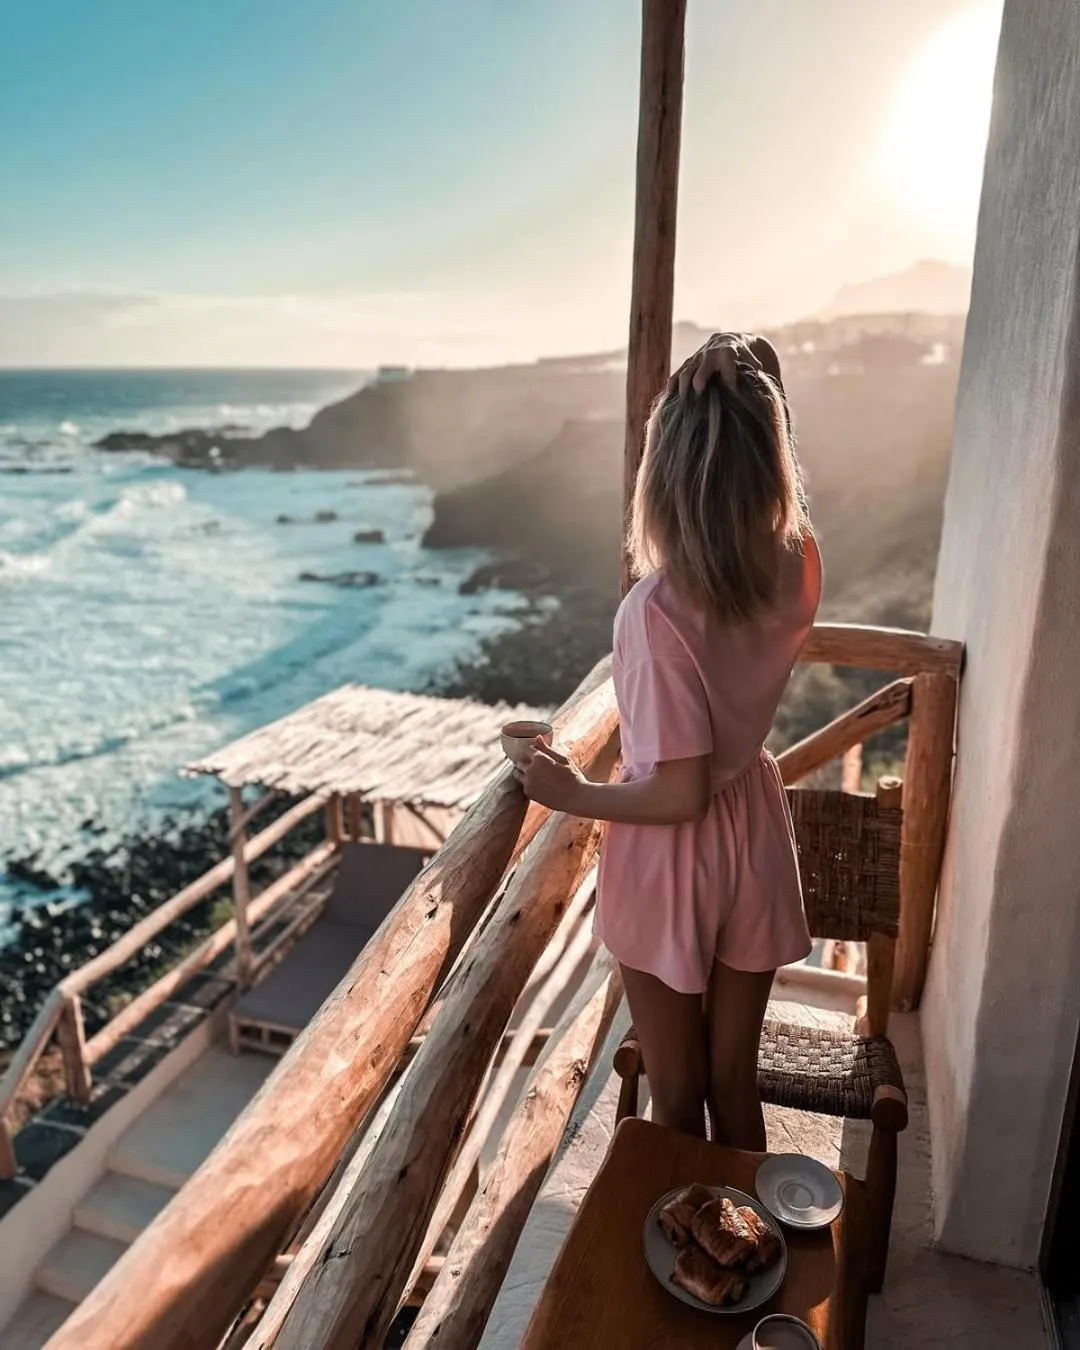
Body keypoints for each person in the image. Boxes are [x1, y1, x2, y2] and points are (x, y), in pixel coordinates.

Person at [518, 332, 821, 1148]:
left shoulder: (656, 612)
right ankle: (752, 1253)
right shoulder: (795, 561)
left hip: (672, 854)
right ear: (769, 460)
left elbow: (678, 790)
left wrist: (570, 792)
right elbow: (771, 431)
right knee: (735, 1083)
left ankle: (688, 1264)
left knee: (679, 1097)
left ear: (665, 473)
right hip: (754, 829)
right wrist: (750, 360)